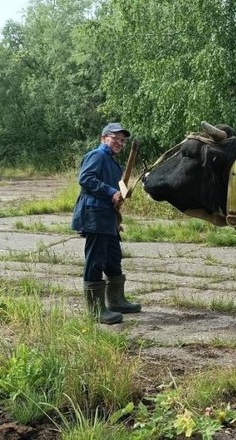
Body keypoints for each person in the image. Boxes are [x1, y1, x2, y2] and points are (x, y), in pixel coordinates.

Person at [71, 122, 141, 324]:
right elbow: (86, 179)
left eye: (122, 141)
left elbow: (116, 191)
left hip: (107, 217)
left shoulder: (113, 162)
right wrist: (112, 192)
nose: (119, 143)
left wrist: (116, 218)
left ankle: (116, 301)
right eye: (115, 138)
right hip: (94, 215)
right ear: (103, 138)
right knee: (96, 260)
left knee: (113, 258)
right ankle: (96, 311)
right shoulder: (98, 155)